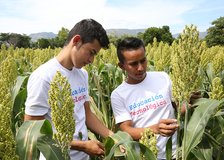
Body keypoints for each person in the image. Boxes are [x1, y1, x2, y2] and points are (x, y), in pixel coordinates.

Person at [24, 19, 113, 160]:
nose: (91, 60)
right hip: (56, 156)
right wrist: (82, 146)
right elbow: (32, 130)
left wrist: (113, 136)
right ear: (77, 41)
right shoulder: (43, 77)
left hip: (83, 157)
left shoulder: (82, 74)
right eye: (91, 52)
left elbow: (87, 114)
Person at [111, 37, 179, 160]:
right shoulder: (118, 95)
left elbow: (178, 108)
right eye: (133, 64)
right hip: (145, 156)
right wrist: (155, 129)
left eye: (143, 61)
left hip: (173, 153)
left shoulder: (163, 78)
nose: (141, 67)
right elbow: (126, 131)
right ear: (122, 66)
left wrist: (190, 102)